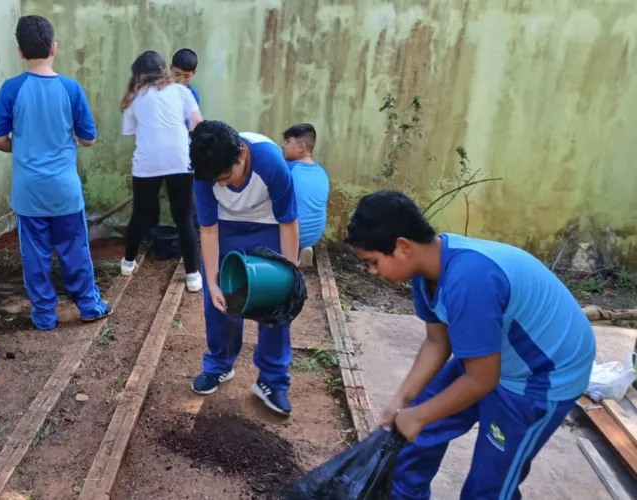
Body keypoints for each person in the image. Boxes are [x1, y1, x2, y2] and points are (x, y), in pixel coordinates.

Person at [344, 190, 596, 499]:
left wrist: (420, 414)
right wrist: (403, 399)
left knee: (488, 488)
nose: (374, 273)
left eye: (373, 263)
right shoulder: (428, 272)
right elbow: (437, 342)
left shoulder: (469, 279)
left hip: (541, 376)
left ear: (402, 246)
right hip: (493, 356)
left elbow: (482, 379)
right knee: (412, 439)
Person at [0, 15, 113, 331]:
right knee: (75, 250)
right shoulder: (71, 89)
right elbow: (89, 137)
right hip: (64, 191)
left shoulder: (10, 89)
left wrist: (22, 147)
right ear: (54, 48)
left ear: (20, 51)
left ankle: (44, 315)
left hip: (29, 192)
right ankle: (89, 305)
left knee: (35, 255)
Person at [188, 120, 299, 416]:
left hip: (269, 226)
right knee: (220, 301)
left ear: (241, 155)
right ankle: (220, 364)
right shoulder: (204, 173)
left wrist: (290, 273)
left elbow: (288, 222)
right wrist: (211, 282)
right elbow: (208, 231)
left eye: (226, 176)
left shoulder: (270, 161)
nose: (222, 184)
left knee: (275, 303)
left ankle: (272, 381)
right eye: (216, 180)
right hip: (225, 228)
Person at [119, 50, 203, 292]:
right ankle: (192, 275)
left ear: (138, 74)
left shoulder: (134, 97)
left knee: (140, 214)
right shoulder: (181, 91)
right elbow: (197, 122)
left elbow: (136, 136)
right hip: (180, 159)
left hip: (147, 161)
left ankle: (127, 263)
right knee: (184, 216)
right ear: (164, 69)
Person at [282, 123, 329, 268]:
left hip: (293, 235)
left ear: (301, 147)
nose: (283, 146)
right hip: (314, 235)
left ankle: (289, 256)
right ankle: (303, 250)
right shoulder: (321, 171)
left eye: (288, 142)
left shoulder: (287, 169)